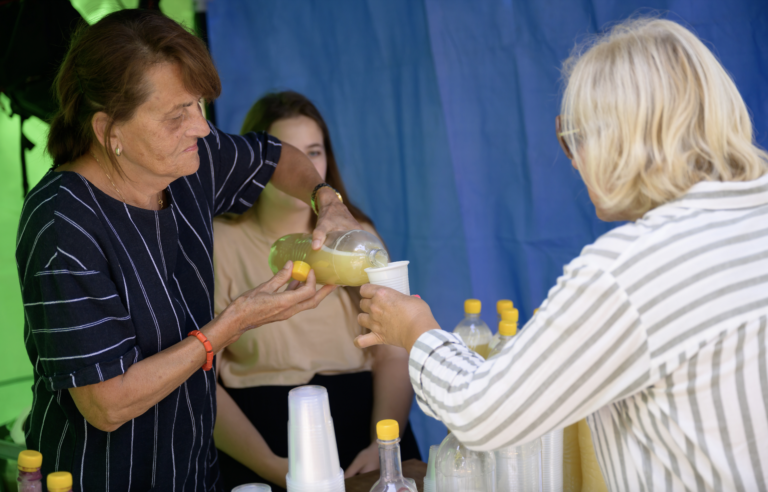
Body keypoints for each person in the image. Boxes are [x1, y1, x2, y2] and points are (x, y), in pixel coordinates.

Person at [355, 18, 768, 491]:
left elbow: (486, 412)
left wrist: (415, 330)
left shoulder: (627, 270)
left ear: (621, 138)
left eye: (574, 136)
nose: (574, 160)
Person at [17, 11, 360, 492]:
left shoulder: (193, 161)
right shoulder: (61, 224)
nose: (201, 127)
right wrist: (232, 324)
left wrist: (328, 201)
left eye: (198, 105)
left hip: (194, 474)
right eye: (177, 115)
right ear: (108, 130)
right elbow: (107, 405)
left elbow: (275, 155)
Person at [212, 91, 419, 491]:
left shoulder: (359, 239)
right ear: (258, 166)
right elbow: (201, 381)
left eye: (314, 152)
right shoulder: (220, 242)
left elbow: (394, 352)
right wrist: (272, 466)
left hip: (364, 429)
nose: (305, 167)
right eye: (290, 156)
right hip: (261, 440)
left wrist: (382, 444)